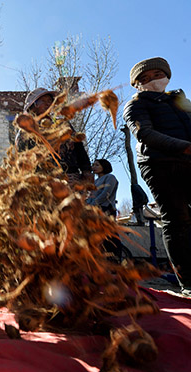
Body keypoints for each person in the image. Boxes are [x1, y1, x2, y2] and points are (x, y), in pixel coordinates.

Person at [123, 56, 191, 287]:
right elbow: (145, 134)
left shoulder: (182, 102)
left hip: (188, 162)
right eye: (145, 79)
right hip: (159, 164)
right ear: (137, 84)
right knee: (176, 219)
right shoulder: (136, 105)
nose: (152, 81)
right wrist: (184, 147)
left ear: (167, 76)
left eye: (157, 75)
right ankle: (187, 282)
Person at [16, 87, 93, 184]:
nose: (48, 103)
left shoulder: (63, 124)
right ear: (33, 106)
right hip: (45, 182)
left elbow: (79, 147)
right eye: (43, 101)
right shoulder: (26, 131)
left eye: (50, 101)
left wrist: (86, 171)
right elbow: (23, 160)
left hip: (72, 178)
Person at [86, 159, 126, 260]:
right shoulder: (94, 182)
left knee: (110, 235)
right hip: (95, 211)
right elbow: (89, 196)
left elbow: (106, 193)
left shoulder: (110, 177)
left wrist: (94, 203)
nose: (94, 167)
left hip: (106, 209)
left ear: (104, 166)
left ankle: (116, 258)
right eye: (93, 165)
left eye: (97, 165)